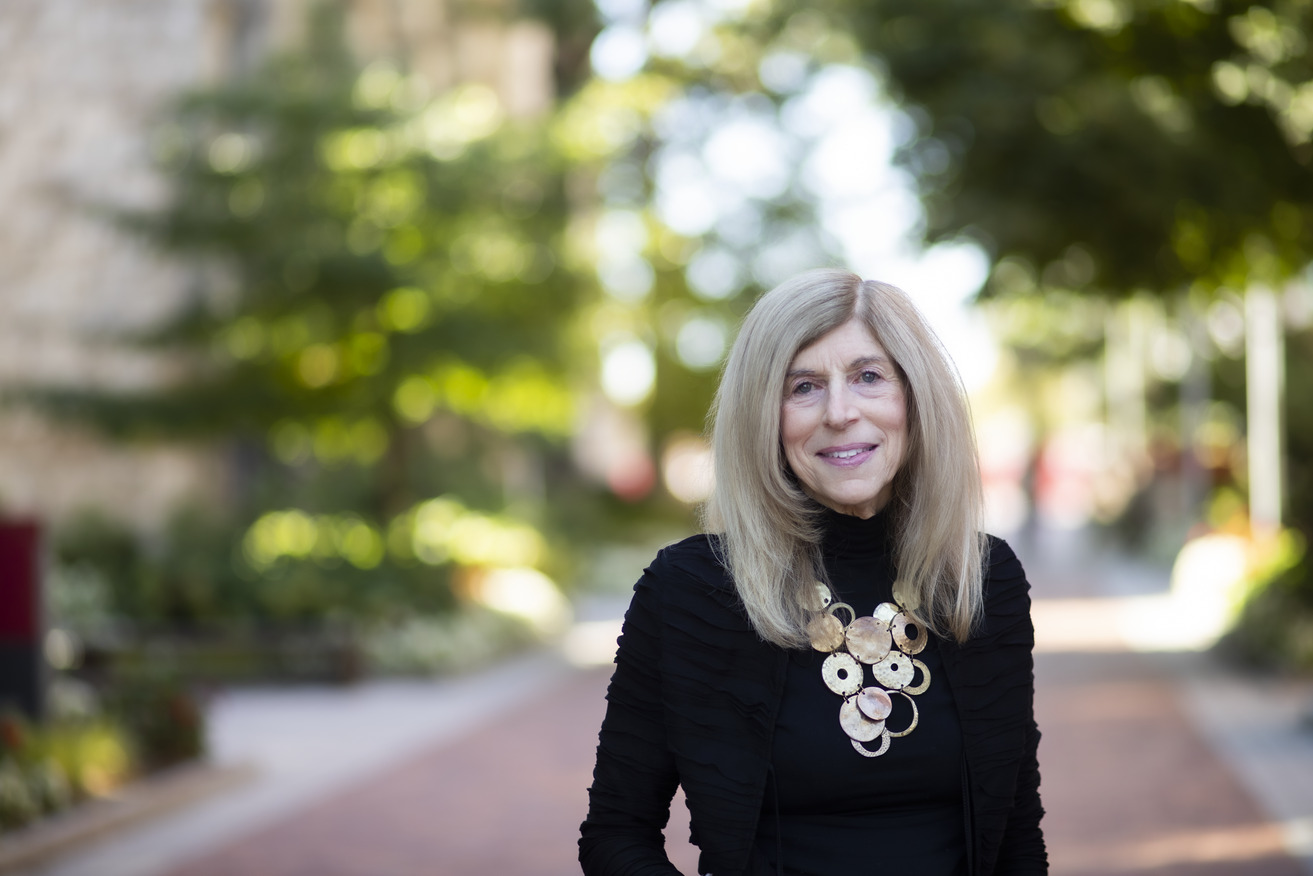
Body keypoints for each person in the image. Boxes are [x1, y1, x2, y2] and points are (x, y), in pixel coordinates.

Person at [579, 268, 1046, 876]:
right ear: (764, 417)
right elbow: (616, 836)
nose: (840, 412)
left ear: (915, 398)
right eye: (803, 387)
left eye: (868, 377)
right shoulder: (691, 590)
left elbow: (1016, 839)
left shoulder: (981, 577)